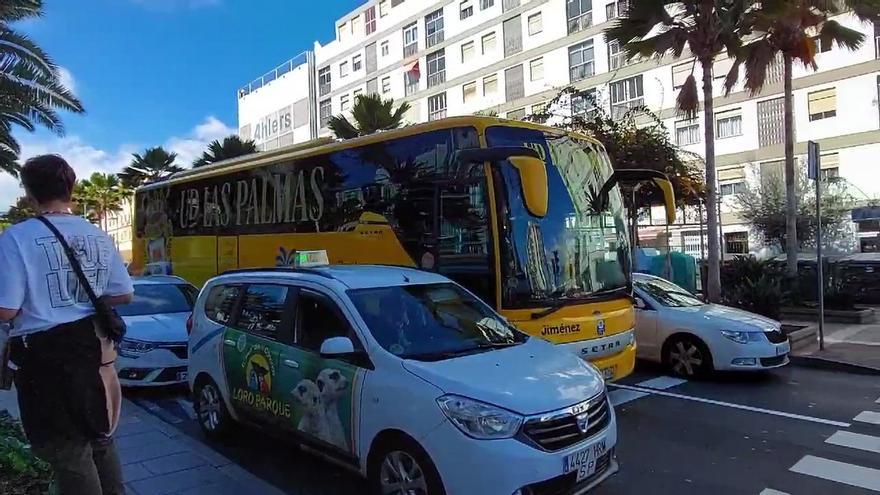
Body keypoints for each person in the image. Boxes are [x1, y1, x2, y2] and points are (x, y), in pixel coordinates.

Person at [0, 155, 133, 495]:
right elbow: (124, 292)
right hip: (95, 347)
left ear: (30, 193)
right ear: (71, 188)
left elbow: (6, 309)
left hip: (46, 357)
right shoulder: (97, 235)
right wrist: (79, 299)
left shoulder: (16, 238)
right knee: (101, 437)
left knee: (66, 449)